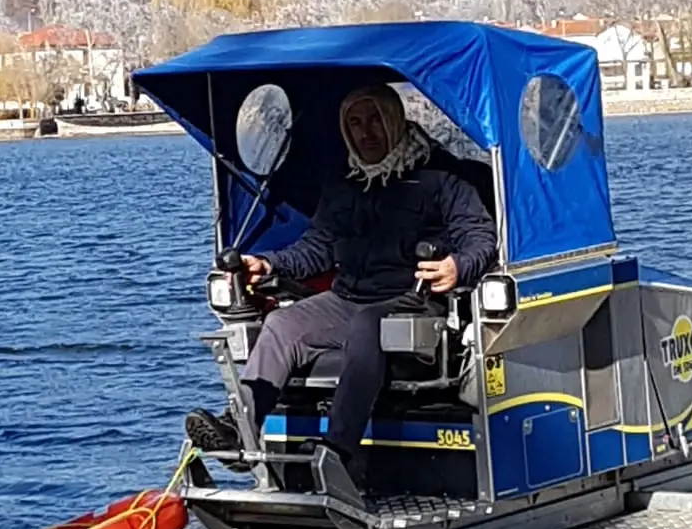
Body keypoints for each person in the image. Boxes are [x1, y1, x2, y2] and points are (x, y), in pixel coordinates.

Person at [186, 85, 498, 465]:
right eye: (355, 123)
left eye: (374, 121)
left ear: (394, 120)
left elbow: (481, 237)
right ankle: (239, 433)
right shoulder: (342, 184)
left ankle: (338, 453)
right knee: (282, 323)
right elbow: (315, 249)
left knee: (368, 324)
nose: (365, 133)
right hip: (346, 299)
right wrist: (268, 264)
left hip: (413, 303)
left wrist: (457, 266)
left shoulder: (442, 178)